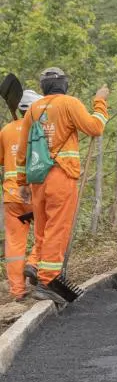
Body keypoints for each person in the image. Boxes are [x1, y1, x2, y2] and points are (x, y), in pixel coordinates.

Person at [16, 69, 109, 302]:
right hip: (61, 175)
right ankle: (49, 281)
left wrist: (22, 183)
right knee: (58, 227)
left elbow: (23, 149)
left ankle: (35, 266)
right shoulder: (69, 103)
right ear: (64, 85)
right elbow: (95, 128)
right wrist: (100, 102)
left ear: (44, 87)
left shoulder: (34, 110)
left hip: (37, 178)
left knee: (43, 227)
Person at [1, 89, 42, 302]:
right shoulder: (41, 129)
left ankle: (18, 291)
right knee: (49, 231)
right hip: (36, 194)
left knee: (15, 246)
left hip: (12, 196)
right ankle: (34, 264)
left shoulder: (6, 130)